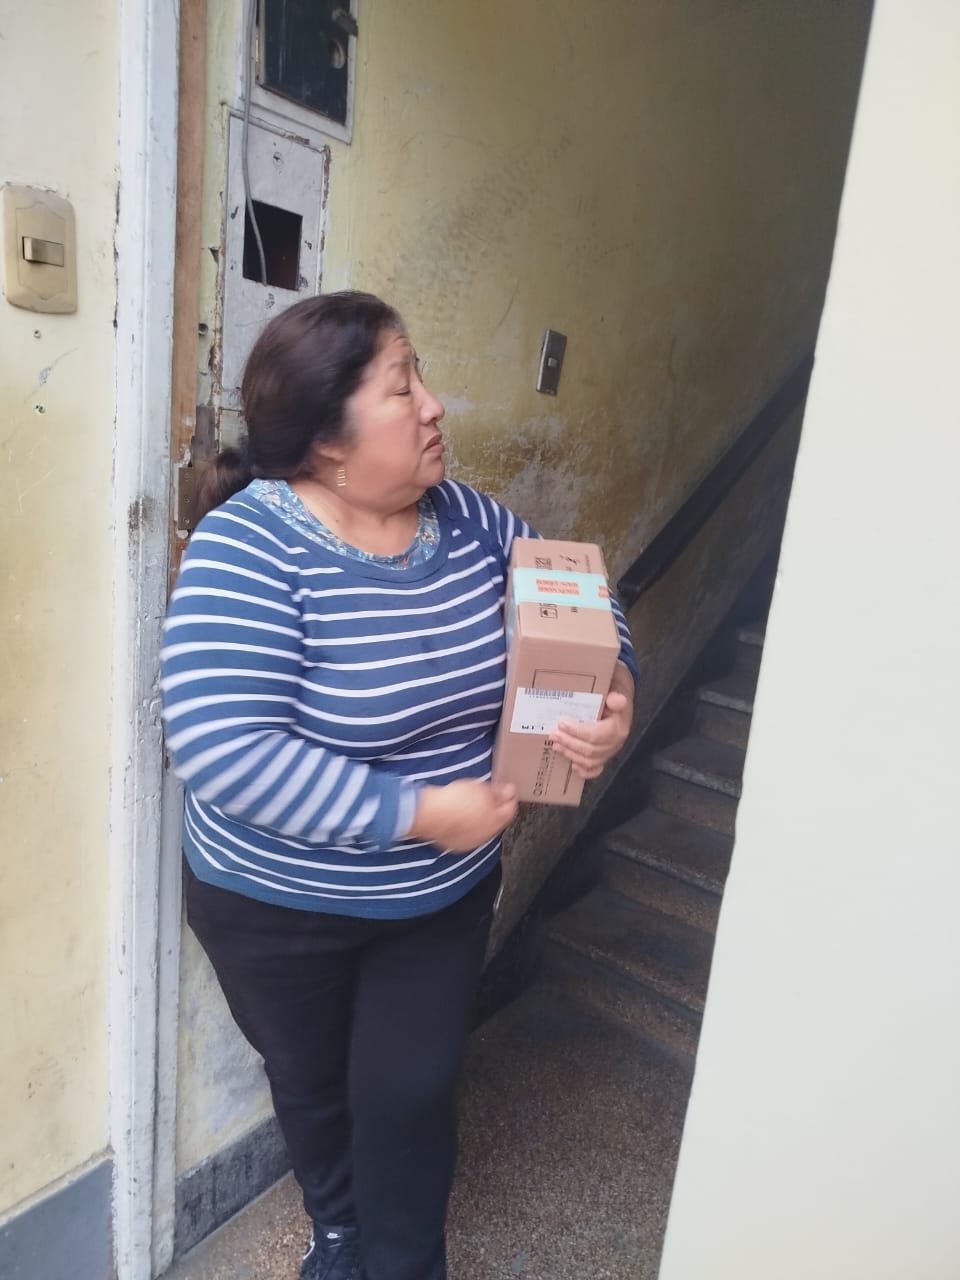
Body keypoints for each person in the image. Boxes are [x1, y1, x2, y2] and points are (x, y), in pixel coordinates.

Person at [160, 291, 638, 1280]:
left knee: (409, 1092)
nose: (434, 404)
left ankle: (404, 1263)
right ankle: (337, 1229)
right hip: (274, 904)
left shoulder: (471, 518)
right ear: (327, 440)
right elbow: (220, 746)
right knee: (311, 1080)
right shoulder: (248, 547)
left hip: (435, 895)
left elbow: (579, 599)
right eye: (401, 385)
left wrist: (615, 691)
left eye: (420, 374)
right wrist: (419, 811)